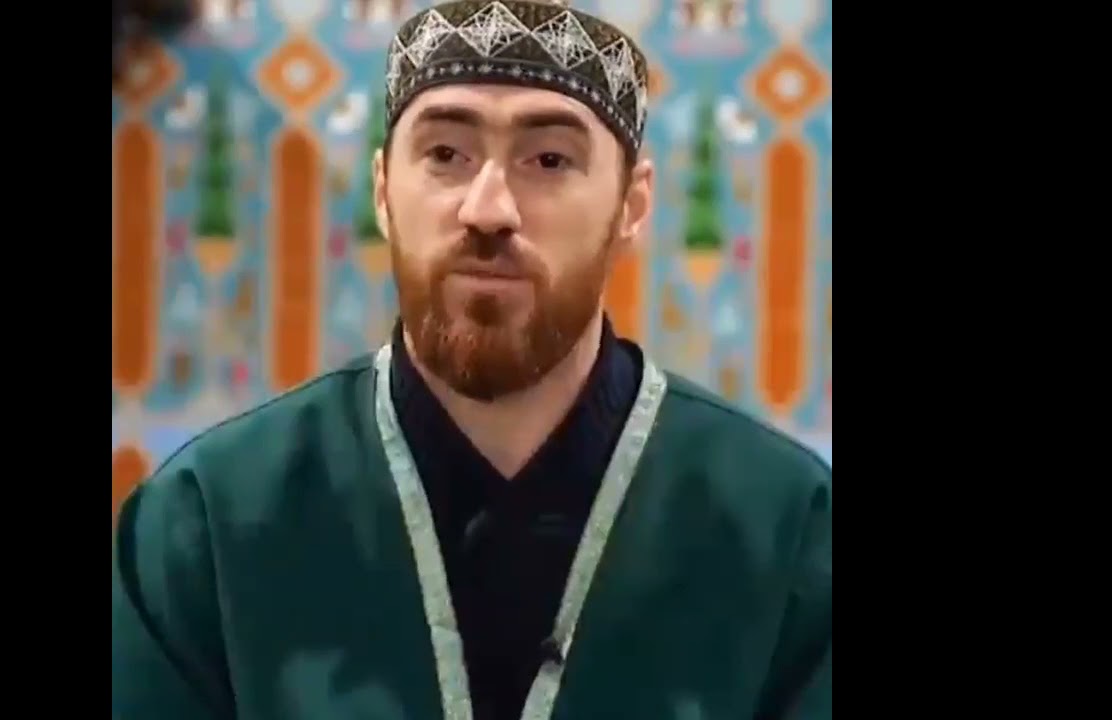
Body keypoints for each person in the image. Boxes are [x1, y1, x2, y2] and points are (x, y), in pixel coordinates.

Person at [112, 1, 832, 718]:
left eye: (548, 160)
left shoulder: (787, 533)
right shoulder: (208, 527)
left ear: (631, 207)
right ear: (383, 192)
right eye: (445, 155)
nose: (488, 209)